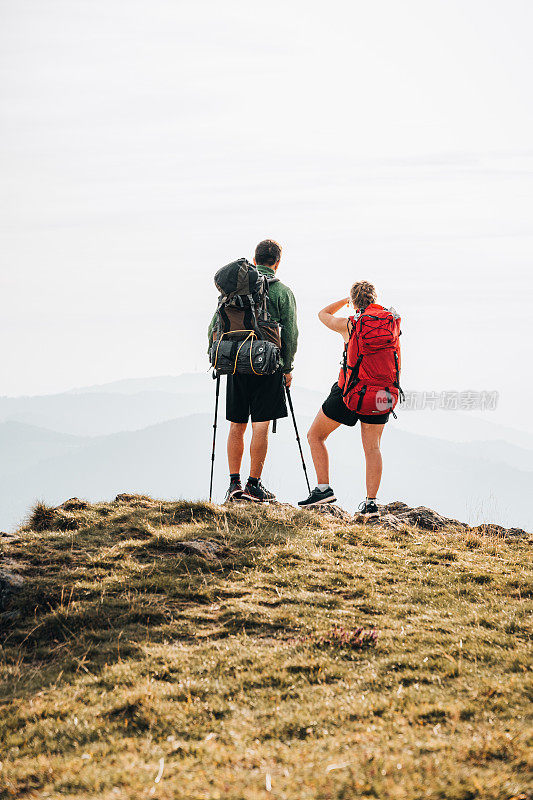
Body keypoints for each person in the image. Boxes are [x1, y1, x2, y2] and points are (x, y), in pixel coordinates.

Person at [208, 239, 298, 503]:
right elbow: (291, 333)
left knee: (237, 424)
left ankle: (234, 484)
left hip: (235, 361)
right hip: (267, 366)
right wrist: (287, 366)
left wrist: (216, 355)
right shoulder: (281, 291)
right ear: (278, 262)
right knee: (261, 425)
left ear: (254, 259)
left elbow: (214, 324)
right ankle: (253, 485)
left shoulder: (234, 289)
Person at [298, 281, 398, 517]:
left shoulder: (350, 325)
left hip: (349, 392)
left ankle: (323, 490)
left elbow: (323, 314)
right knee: (372, 448)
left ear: (355, 302)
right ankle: (371, 503)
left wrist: (345, 301)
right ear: (375, 299)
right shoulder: (390, 323)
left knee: (316, 435)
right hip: (382, 395)